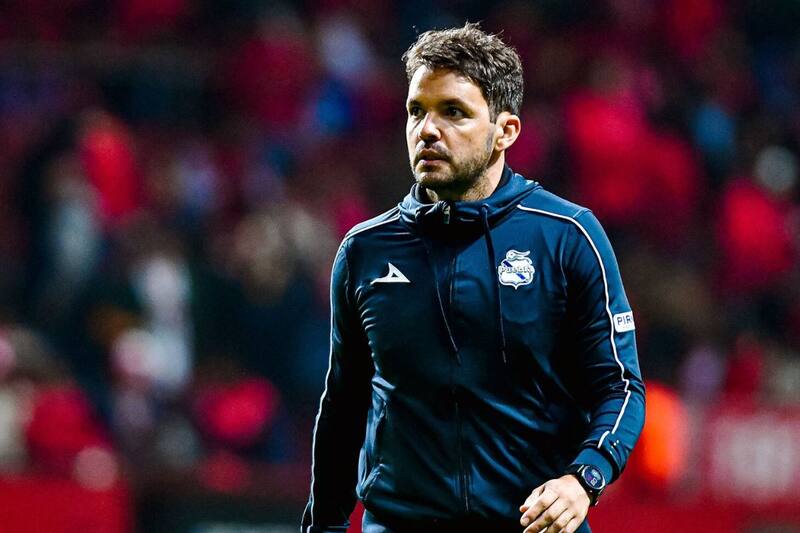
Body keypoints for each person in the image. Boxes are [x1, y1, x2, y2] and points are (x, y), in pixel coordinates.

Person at [302, 23, 645, 533]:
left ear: (506, 131)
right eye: (416, 110)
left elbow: (619, 386)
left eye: (453, 112)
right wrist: (323, 527)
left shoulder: (568, 236)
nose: (427, 129)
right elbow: (343, 408)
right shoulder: (365, 251)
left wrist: (583, 479)